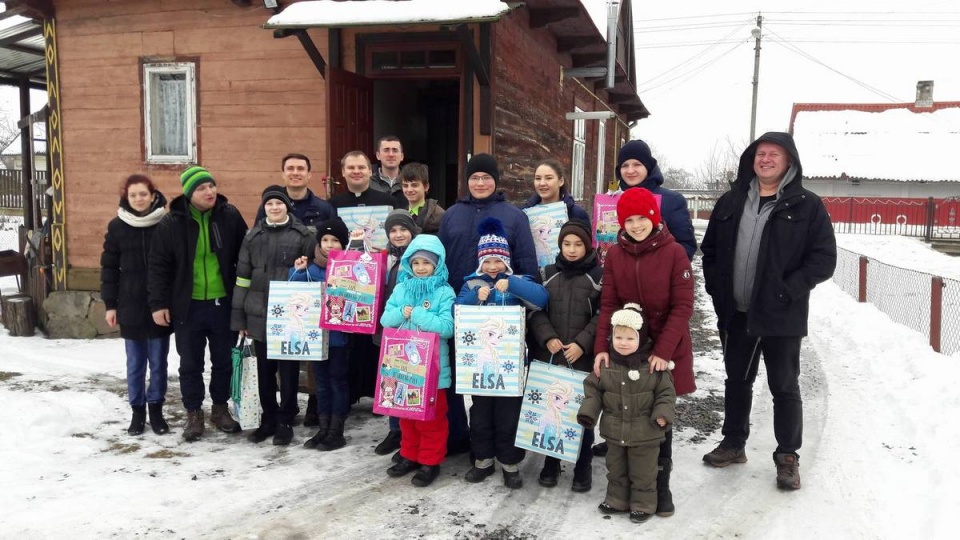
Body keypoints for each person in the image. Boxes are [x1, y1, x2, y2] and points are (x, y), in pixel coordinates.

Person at [700, 132, 837, 491]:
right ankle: (733, 443)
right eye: (761, 153)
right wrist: (717, 290)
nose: (766, 159)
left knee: (784, 387)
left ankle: (787, 456)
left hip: (782, 316)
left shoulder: (807, 205)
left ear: (789, 161)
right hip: (737, 314)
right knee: (737, 382)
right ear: (751, 159)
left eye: (774, 154)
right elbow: (710, 250)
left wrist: (787, 290)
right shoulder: (731, 201)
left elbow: (824, 259)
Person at [592, 186, 695, 517]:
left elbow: (683, 306)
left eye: (642, 218)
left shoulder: (674, 252)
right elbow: (607, 303)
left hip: (665, 347)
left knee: (658, 417)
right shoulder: (616, 255)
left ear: (655, 218)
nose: (636, 226)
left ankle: (659, 489)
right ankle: (625, 490)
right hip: (625, 348)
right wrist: (601, 348)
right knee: (627, 413)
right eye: (629, 220)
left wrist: (664, 350)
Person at [438, 153, 541, 455]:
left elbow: (526, 263)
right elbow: (441, 262)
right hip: (463, 307)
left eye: (486, 177)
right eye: (474, 178)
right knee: (459, 376)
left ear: (496, 181)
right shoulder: (452, 215)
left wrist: (522, 298)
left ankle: (504, 446)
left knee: (501, 380)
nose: (480, 182)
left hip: (504, 314)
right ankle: (460, 437)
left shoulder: (513, 216)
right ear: (467, 181)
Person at [148, 166, 248, 441]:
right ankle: (194, 413)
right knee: (190, 363)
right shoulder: (172, 223)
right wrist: (158, 304)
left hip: (222, 303)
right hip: (187, 306)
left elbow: (246, 254)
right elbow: (158, 267)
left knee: (224, 360)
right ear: (189, 193)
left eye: (212, 186)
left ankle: (219, 408)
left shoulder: (229, 215)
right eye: (202, 188)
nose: (210, 191)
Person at [457, 217, 548, 489]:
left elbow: (541, 300)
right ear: (479, 262)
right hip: (481, 368)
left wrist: (514, 284)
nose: (493, 267)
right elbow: (457, 311)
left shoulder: (518, 281)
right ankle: (483, 460)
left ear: (506, 261)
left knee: (509, 416)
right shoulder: (471, 285)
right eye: (487, 261)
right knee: (482, 414)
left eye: (498, 261)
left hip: (510, 366)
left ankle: (510, 462)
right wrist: (477, 298)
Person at [231, 185, 317, 446]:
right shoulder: (253, 236)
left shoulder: (303, 234)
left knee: (288, 371)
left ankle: (285, 419)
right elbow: (243, 278)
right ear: (264, 207)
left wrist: (305, 267)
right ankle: (268, 417)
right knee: (265, 371)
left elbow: (314, 270)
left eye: (279, 203)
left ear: (286, 206)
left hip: (289, 317)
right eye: (270, 204)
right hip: (258, 313)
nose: (275, 207)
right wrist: (240, 319)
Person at [578, 304, 676, 524]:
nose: (623, 343)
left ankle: (643, 504)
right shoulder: (606, 364)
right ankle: (617, 499)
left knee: (643, 472)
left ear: (641, 339)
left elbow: (666, 393)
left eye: (630, 339)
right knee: (616, 469)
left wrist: (663, 413)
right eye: (618, 337)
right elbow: (593, 390)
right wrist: (588, 412)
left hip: (645, 433)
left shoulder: (653, 366)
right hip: (614, 431)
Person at [528, 219, 602, 492]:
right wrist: (547, 337)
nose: (572, 250)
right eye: (566, 244)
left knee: (582, 413)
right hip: (552, 357)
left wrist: (583, 343)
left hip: (581, 358)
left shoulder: (598, 277)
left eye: (578, 244)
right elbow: (535, 310)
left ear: (587, 245)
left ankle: (583, 462)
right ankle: (551, 460)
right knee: (552, 410)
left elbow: (603, 315)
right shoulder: (547, 273)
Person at [328, 150, 406, 406]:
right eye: (351, 168)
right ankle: (349, 394)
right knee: (349, 340)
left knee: (374, 340)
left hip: (380, 279)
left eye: (361, 167)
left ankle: (375, 393)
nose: (356, 172)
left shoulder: (386, 201)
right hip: (348, 282)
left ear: (370, 171)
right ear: (343, 172)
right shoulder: (334, 203)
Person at [380, 234, 456, 487]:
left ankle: (429, 461)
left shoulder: (444, 291)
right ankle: (409, 455)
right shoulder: (402, 288)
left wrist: (421, 315)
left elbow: (447, 327)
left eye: (427, 262)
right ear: (409, 265)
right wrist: (401, 312)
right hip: (404, 368)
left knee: (431, 419)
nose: (421, 267)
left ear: (437, 264)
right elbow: (384, 319)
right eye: (416, 263)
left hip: (433, 370)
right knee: (407, 416)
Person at [101, 174, 172, 436]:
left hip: (158, 305)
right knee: (135, 363)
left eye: (143, 194)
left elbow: (172, 266)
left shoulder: (166, 223)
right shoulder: (117, 226)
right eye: (133, 195)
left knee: (158, 362)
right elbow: (109, 268)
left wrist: (168, 300)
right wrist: (110, 305)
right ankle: (137, 412)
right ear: (126, 198)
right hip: (129, 304)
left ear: (153, 195)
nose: (139, 199)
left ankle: (156, 410)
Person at [290, 217, 355, 451]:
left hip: (338, 337)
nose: (329, 244)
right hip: (315, 337)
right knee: (322, 383)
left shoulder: (351, 268)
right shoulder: (310, 268)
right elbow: (293, 289)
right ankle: (323, 427)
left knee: (338, 380)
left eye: (335, 240)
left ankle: (337, 430)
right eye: (325, 240)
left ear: (343, 243)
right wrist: (297, 270)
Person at [373, 210, 421, 458]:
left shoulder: (421, 258)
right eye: (393, 230)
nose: (398, 234)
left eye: (403, 229)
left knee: (411, 381)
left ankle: (410, 436)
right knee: (391, 381)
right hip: (390, 327)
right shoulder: (384, 258)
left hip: (414, 331)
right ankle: (395, 431)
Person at [614, 140, 697, 261]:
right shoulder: (613, 200)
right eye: (625, 165)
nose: (630, 170)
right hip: (621, 275)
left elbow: (685, 247)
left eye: (637, 164)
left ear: (648, 167)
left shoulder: (672, 201)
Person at [255, 153, 336, 229]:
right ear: (283, 174)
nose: (295, 173)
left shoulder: (324, 209)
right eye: (290, 168)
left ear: (309, 175)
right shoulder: (269, 207)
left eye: (300, 169)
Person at [521, 159, 590, 222]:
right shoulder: (523, 213)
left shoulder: (576, 214)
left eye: (548, 178)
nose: (542, 183)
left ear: (561, 181)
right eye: (538, 178)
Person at [400, 163, 445, 234]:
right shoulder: (400, 215)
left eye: (414, 185)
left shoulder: (438, 215)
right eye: (405, 186)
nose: (409, 190)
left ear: (426, 187)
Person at [370, 136, 407, 204]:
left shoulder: (411, 182)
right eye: (386, 150)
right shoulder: (368, 183)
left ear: (402, 156)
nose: (391, 154)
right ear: (378, 155)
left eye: (395, 150)